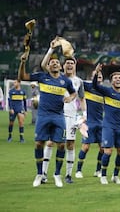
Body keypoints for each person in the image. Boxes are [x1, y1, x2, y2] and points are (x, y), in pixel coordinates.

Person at [18, 51, 76, 188]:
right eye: (52, 62)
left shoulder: (65, 81)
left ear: (60, 67)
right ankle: (39, 174)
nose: (54, 63)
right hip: (43, 116)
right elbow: (22, 76)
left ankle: (57, 174)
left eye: (56, 62)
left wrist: (70, 98)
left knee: (61, 145)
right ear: (48, 66)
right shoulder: (42, 77)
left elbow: (73, 93)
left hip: (58, 116)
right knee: (39, 144)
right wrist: (22, 62)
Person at [40, 42, 86, 185]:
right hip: (55, 115)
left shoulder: (78, 82)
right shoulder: (55, 77)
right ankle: (44, 174)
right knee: (50, 142)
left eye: (72, 64)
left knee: (70, 145)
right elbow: (43, 66)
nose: (70, 65)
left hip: (71, 117)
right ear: (62, 66)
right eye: (67, 64)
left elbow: (82, 99)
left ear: (75, 66)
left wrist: (84, 115)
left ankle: (68, 175)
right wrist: (52, 48)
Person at [93, 63, 120, 185]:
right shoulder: (107, 91)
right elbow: (95, 85)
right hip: (108, 126)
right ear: (111, 81)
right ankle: (103, 175)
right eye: (115, 78)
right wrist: (96, 73)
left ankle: (115, 175)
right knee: (108, 151)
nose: (118, 80)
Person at [75, 71, 105, 179]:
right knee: (85, 147)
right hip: (88, 122)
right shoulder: (87, 86)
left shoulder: (104, 91)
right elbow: (75, 80)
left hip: (100, 123)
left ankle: (98, 170)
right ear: (92, 78)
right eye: (96, 76)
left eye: (100, 76)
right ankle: (78, 170)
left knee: (102, 148)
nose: (98, 78)